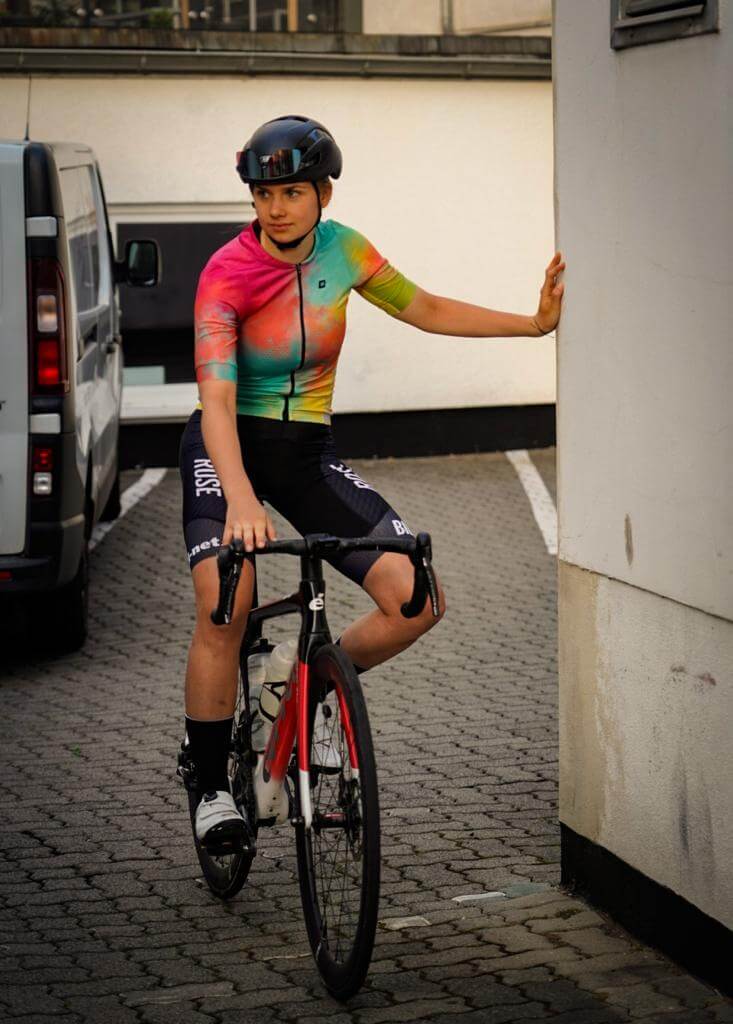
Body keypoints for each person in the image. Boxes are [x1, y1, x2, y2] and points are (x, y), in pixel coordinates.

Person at [179, 114, 565, 847]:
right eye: (263, 194)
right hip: (225, 445)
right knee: (227, 599)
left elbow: (426, 308)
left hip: (304, 451)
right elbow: (218, 401)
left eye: (293, 192)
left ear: (323, 193)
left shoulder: (346, 249)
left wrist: (534, 324)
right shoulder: (225, 274)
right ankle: (209, 787)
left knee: (417, 599)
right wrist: (240, 500)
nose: (276, 208)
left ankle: (304, 689)